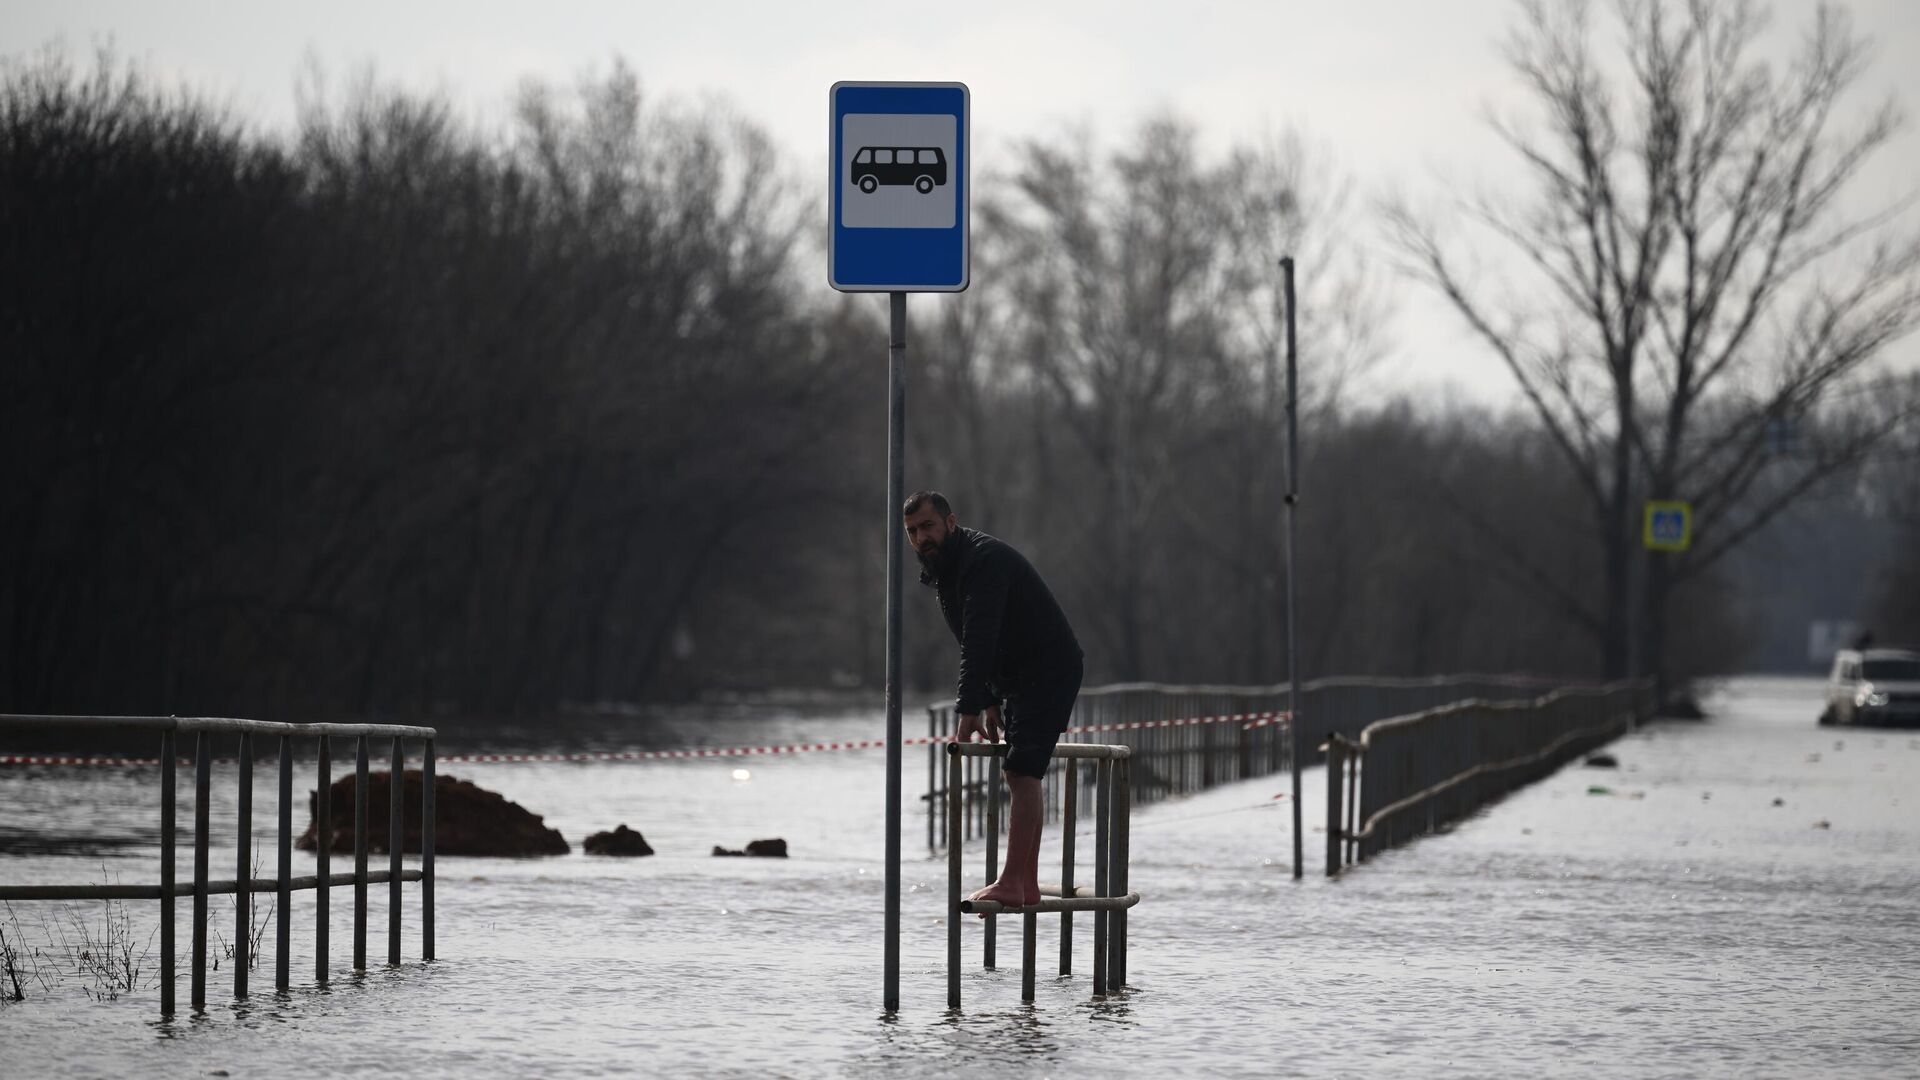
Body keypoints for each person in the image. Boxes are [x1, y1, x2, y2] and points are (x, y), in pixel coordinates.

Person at [903, 490, 1083, 910]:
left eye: (927, 526)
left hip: (1049, 667)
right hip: (1017, 674)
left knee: (1024, 769)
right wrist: (987, 699)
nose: (920, 538)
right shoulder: (944, 568)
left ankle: (1012, 881)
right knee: (1019, 772)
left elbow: (980, 640)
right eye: (912, 531)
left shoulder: (984, 560)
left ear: (950, 523)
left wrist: (966, 708)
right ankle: (1025, 883)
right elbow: (971, 637)